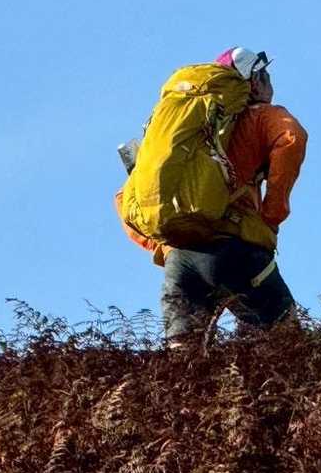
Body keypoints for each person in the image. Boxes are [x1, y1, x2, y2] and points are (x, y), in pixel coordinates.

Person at [117, 46, 307, 346]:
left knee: (183, 362)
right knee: (285, 348)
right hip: (237, 250)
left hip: (180, 261)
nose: (271, 84)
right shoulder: (262, 117)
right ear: (253, 82)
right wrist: (273, 213)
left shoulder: (171, 129)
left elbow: (126, 199)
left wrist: (168, 240)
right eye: (266, 76)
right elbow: (292, 139)